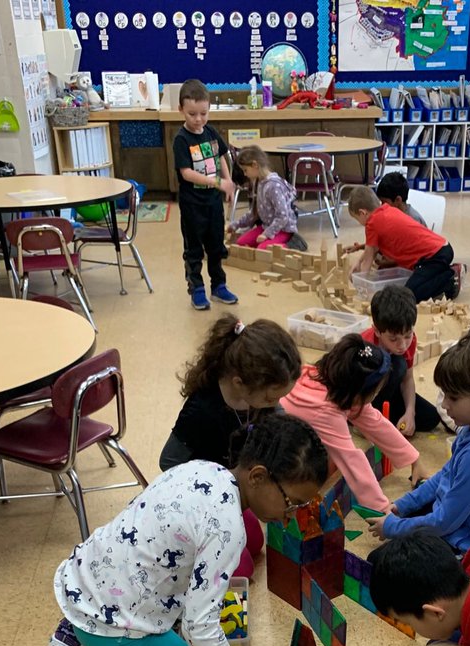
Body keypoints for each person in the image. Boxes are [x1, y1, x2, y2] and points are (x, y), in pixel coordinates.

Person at [20, 413, 328, 646]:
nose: (290, 517)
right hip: (110, 621)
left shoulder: (204, 469)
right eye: (292, 503)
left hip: (84, 581)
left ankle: (73, 631)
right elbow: (200, 626)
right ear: (259, 477)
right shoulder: (228, 529)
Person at [158, 316, 303, 576]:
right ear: (240, 383)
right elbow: (168, 462)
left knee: (256, 543)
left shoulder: (258, 398)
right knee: (242, 569)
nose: (276, 403)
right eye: (272, 397)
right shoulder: (202, 409)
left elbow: (280, 423)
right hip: (203, 505)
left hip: (235, 495)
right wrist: (208, 491)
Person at [366, 332, 470, 553]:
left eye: (453, 397)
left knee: (381, 562)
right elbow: (446, 475)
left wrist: (394, 528)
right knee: (411, 505)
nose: (444, 405)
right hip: (459, 517)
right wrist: (402, 506)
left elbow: (444, 523)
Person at [279, 334, 429, 515]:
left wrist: (414, 459)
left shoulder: (333, 381)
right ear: (359, 393)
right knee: (331, 462)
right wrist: (381, 509)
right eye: (376, 392)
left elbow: (376, 422)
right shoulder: (326, 411)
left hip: (291, 434)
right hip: (282, 453)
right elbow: (352, 461)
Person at [173, 78, 238, 311]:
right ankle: (197, 289)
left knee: (215, 245)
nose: (198, 119)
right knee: (193, 249)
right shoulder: (181, 139)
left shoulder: (210, 132)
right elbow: (187, 173)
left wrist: (227, 180)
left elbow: (221, 154)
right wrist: (217, 181)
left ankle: (219, 286)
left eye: (203, 113)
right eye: (192, 114)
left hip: (213, 203)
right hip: (192, 204)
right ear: (181, 110)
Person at [347, 186, 458, 303]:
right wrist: (358, 263)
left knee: (409, 294)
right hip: (442, 249)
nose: (360, 223)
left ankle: (451, 279)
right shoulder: (386, 210)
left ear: (362, 213)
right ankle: (443, 271)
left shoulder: (372, 223)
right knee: (412, 284)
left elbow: (368, 259)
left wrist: (361, 285)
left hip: (433, 256)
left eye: (357, 219)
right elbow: (372, 249)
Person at [362, 285, 440, 435]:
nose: (403, 345)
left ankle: (383, 418)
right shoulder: (365, 346)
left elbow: (407, 379)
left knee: (431, 418)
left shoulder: (409, 341)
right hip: (362, 398)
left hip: (389, 391)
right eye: (393, 339)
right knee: (398, 364)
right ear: (377, 331)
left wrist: (410, 412)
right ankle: (371, 420)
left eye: (407, 336)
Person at [227, 145, 304, 250]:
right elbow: (253, 213)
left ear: (255, 165)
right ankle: (271, 241)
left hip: (283, 229)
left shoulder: (273, 186)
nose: (245, 174)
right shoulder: (258, 182)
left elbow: (283, 216)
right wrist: (236, 224)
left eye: (245, 170)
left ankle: (292, 244)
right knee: (241, 242)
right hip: (267, 227)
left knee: (263, 249)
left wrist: (267, 234)